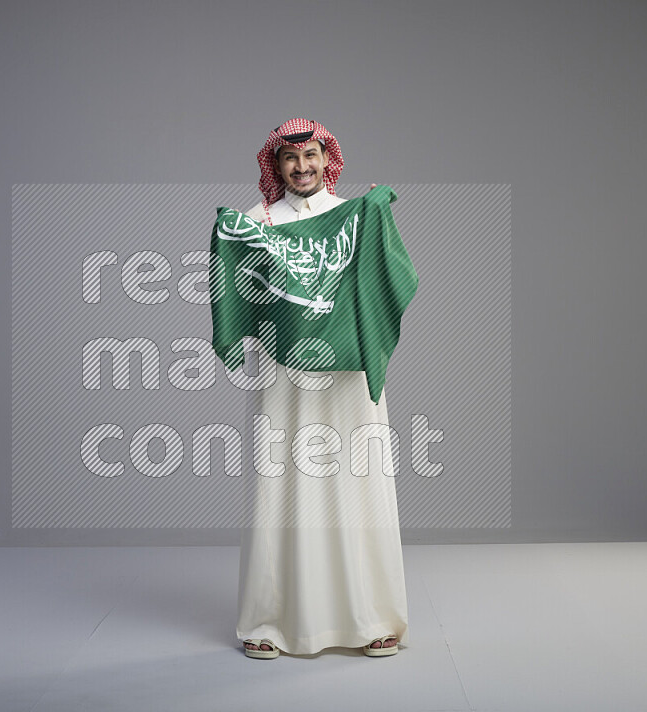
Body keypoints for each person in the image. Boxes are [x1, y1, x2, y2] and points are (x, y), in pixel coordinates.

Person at [235, 118, 409, 659]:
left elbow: (386, 282)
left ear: (326, 158)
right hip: (283, 376)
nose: (302, 167)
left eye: (311, 155)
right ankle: (268, 621)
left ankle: (374, 617)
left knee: (356, 480)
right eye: (290, 158)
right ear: (275, 165)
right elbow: (241, 293)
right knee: (281, 485)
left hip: (347, 376)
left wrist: (376, 216)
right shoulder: (256, 221)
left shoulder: (352, 218)